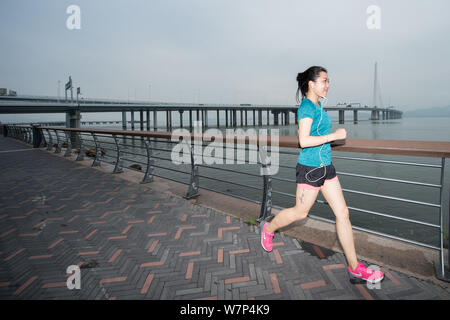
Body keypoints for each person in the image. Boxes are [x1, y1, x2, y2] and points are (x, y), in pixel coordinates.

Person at [260, 66, 384, 285]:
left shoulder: (318, 106)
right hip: (310, 170)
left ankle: (355, 268)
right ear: (311, 84)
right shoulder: (307, 107)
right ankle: (268, 228)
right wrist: (333, 135)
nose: (328, 85)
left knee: (343, 213)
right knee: (300, 213)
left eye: (329, 81)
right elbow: (304, 141)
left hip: (326, 167)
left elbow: (310, 134)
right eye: (324, 81)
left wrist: (330, 138)